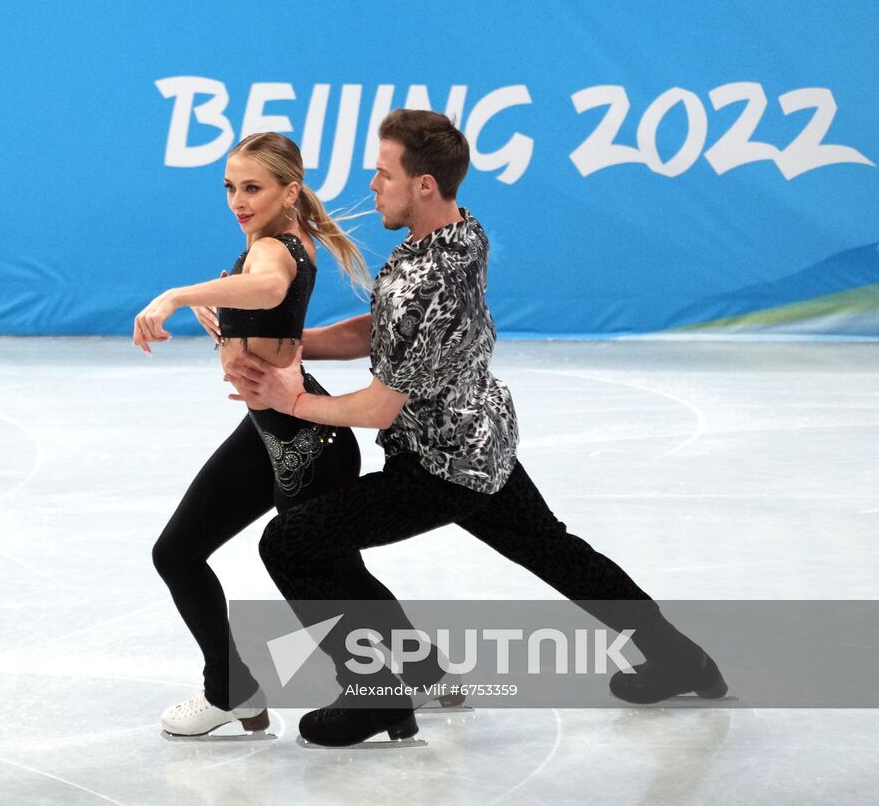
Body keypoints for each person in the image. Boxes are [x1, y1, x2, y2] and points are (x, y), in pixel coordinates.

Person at [224, 109, 728, 748]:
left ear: (425, 184)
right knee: (555, 551)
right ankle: (678, 658)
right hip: (482, 440)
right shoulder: (461, 235)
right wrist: (293, 348)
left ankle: (376, 694)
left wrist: (286, 397)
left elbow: (378, 407)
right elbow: (383, 331)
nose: (371, 186)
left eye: (384, 174)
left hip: (438, 466)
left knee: (292, 542)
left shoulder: (425, 277)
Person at [134, 132, 375, 737]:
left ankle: (399, 682)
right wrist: (227, 328)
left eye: (253, 188)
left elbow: (270, 287)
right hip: (271, 435)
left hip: (309, 445)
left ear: (289, 191)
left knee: (328, 576)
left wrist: (175, 294)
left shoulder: (276, 247)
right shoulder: (277, 243)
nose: (238, 200)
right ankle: (234, 687)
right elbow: (267, 310)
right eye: (230, 188)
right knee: (178, 553)